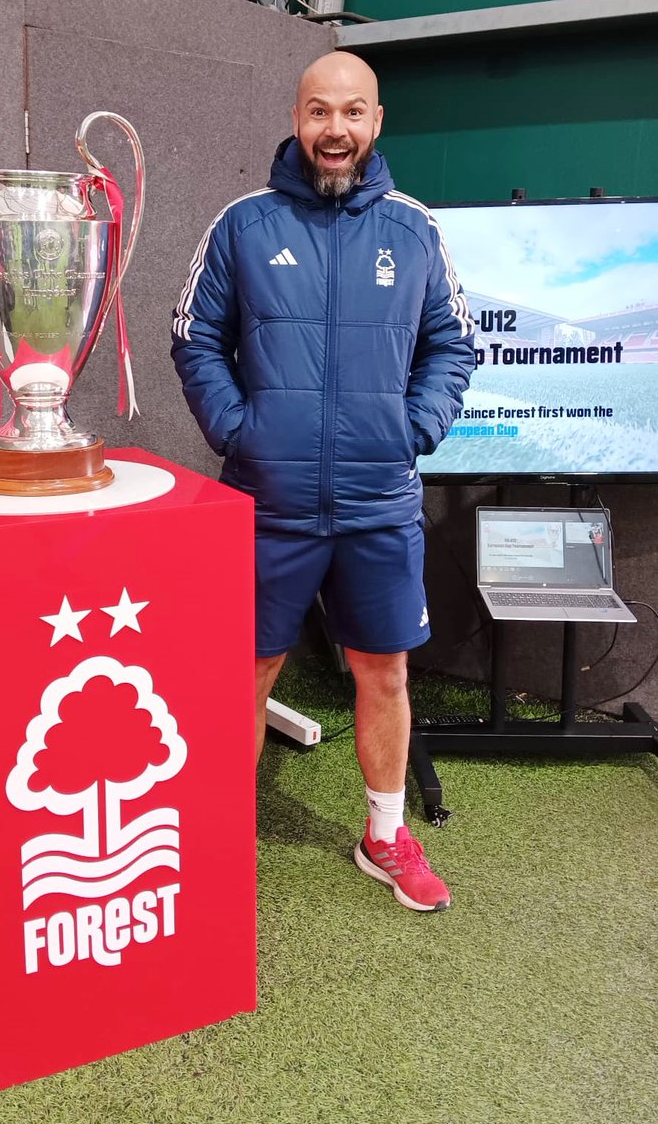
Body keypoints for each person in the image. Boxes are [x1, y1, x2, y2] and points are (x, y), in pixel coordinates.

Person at [171, 52, 475, 912]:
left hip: (379, 504)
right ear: (296, 119)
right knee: (245, 671)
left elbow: (453, 344)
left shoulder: (414, 230)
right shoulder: (243, 224)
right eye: (316, 112)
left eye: (350, 113)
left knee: (383, 673)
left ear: (376, 122)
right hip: (267, 506)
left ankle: (383, 835)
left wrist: (411, 429)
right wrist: (239, 430)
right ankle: (216, 833)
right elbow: (194, 337)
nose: (332, 130)